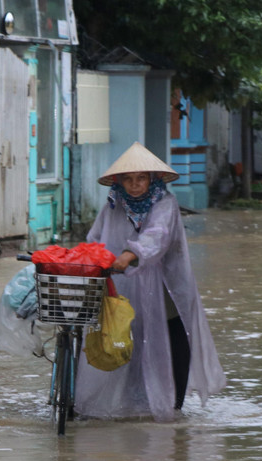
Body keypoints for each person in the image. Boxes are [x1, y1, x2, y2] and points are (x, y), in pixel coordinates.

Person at [74, 142, 226, 422]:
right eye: (128, 180)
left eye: (141, 178)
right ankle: (133, 399)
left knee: (173, 337)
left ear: (151, 179)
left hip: (166, 284)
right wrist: (89, 258)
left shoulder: (165, 203)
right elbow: (97, 237)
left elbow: (157, 236)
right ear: (119, 181)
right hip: (126, 284)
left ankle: (174, 403)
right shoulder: (113, 205)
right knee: (127, 338)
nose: (134, 186)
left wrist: (130, 254)